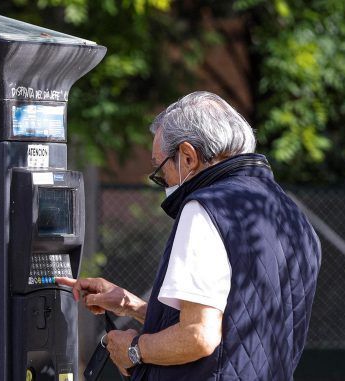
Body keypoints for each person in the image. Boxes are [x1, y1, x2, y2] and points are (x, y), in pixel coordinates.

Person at [57, 91, 321, 380]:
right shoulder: (290, 214)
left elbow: (199, 336)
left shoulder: (204, 208)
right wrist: (130, 305)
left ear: (187, 156)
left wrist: (134, 348)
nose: (163, 182)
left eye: (160, 170)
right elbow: (235, 330)